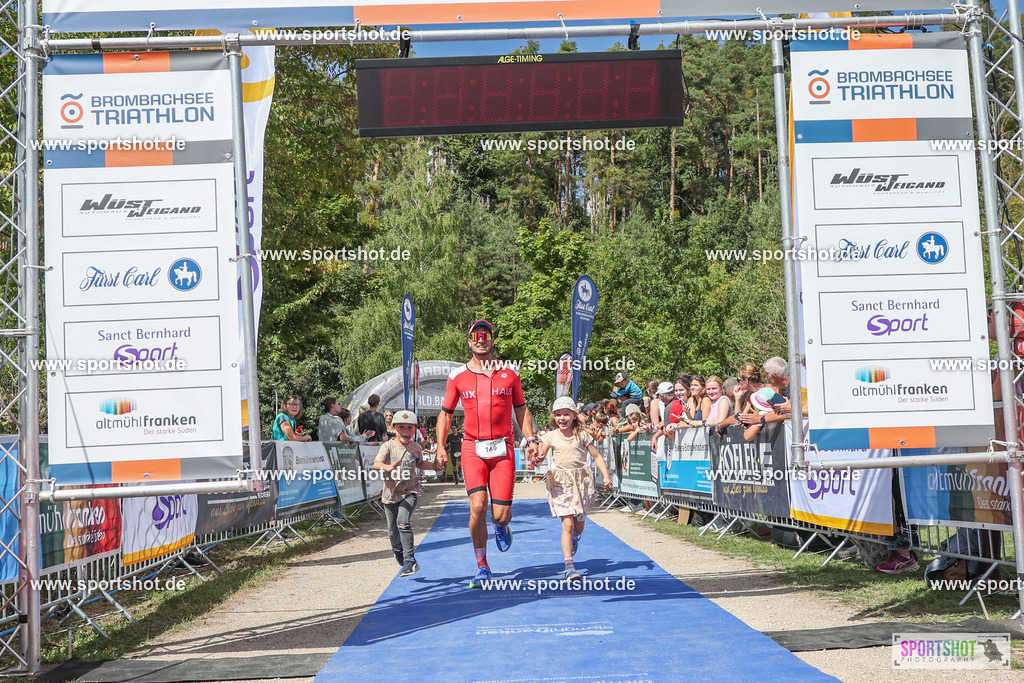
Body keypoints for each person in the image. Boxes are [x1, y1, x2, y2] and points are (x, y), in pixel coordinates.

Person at [435, 319, 538, 588]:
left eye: (486, 335)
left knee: (500, 514)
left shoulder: (510, 373)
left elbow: (521, 408)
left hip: (502, 448)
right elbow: (445, 415)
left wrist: (530, 438)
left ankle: (502, 526)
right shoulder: (457, 376)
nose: (481, 339)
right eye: (475, 336)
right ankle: (482, 566)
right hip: (472, 448)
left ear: (492, 340)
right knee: (477, 506)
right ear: (469, 341)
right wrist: (440, 446)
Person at [530, 397, 613, 581]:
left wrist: (606, 476)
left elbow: (597, 456)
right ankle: (569, 565)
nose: (562, 418)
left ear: (574, 415)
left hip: (581, 481)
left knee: (579, 524)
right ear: (554, 417)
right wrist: (536, 459)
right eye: (558, 414)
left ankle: (575, 537)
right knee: (566, 522)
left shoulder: (582, 434)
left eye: (566, 414)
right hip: (560, 482)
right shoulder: (550, 436)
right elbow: (540, 458)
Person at [373, 410, 445, 577]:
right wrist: (387, 467)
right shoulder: (388, 446)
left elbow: (420, 464)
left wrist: (434, 466)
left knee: (403, 522)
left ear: (415, 429)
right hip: (390, 495)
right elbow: (376, 463)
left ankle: (409, 560)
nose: (405, 431)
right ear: (393, 428)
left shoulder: (415, 447)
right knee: (392, 531)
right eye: (401, 427)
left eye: (409, 428)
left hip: (409, 492)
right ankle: (398, 551)